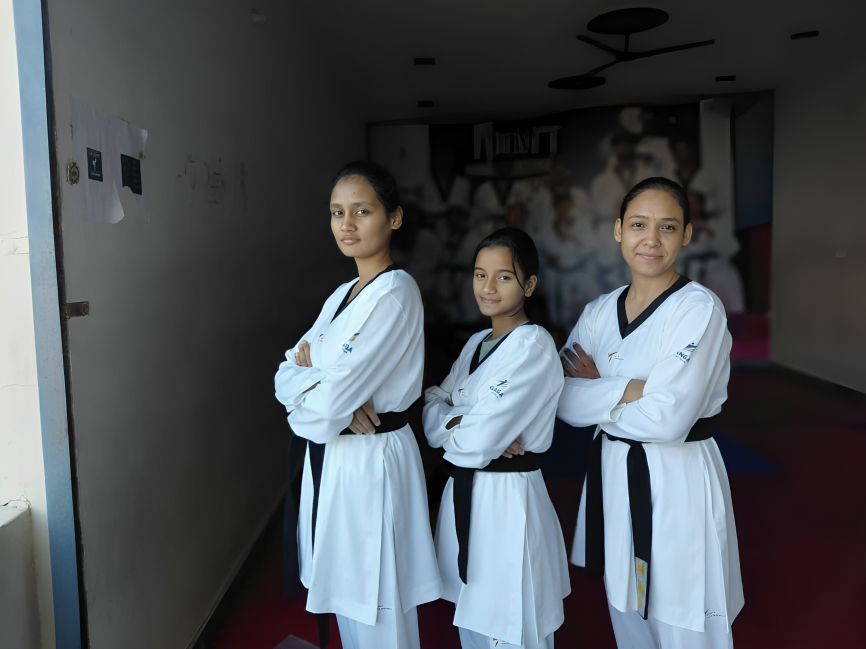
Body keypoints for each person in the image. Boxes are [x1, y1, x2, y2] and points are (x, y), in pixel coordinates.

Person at [557, 177, 744, 649]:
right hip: (613, 475)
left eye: (667, 226)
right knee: (628, 614)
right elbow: (559, 396)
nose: (651, 239)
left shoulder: (698, 309)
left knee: (685, 620)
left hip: (677, 478)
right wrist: (634, 390)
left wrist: (599, 389)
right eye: (639, 224)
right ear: (619, 230)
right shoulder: (600, 311)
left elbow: (669, 420)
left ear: (686, 235)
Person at [274, 161, 441, 649]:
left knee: (377, 607)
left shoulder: (395, 294)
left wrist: (321, 391)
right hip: (335, 457)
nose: (346, 224)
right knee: (347, 601)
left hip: (373, 461)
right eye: (336, 212)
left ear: (394, 218)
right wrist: (322, 391)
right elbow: (285, 374)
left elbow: (323, 401)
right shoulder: (343, 294)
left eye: (361, 211)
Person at [423, 228, 571, 649]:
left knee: (510, 626)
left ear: (529, 284)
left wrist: (463, 422)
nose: (487, 288)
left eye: (504, 277)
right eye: (479, 274)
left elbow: (476, 440)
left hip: (509, 500)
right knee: (473, 622)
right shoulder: (475, 343)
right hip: (465, 493)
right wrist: (468, 421)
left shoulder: (534, 344)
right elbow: (430, 406)